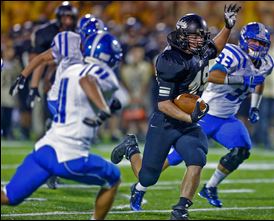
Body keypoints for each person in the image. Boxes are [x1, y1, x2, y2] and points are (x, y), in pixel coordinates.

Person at [111, 3, 241, 220]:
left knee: (197, 158)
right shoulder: (170, 60)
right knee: (148, 176)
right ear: (182, 35)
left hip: (187, 123)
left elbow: (216, 47)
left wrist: (227, 26)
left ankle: (181, 209)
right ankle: (131, 148)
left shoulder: (198, 50)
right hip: (165, 121)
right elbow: (163, 104)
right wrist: (189, 116)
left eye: (202, 36)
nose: (200, 40)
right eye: (195, 36)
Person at [1, 31, 123, 220]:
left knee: (9, 196)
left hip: (44, 148)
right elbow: (87, 81)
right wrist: (104, 108)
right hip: (69, 155)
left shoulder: (70, 69)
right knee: (113, 178)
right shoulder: (104, 73)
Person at [165, 22, 274, 208]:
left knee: (241, 150)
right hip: (206, 113)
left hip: (228, 118)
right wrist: (243, 79)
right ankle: (141, 185)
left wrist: (255, 106)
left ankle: (210, 187)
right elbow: (212, 75)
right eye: (254, 41)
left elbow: (259, 81)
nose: (258, 46)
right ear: (244, 40)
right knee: (176, 157)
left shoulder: (266, 63)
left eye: (262, 43)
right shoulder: (233, 54)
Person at [9, 16, 106, 190]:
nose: (95, 41)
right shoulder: (69, 41)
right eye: (91, 37)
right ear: (82, 35)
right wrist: (25, 78)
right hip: (59, 97)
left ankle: (51, 167)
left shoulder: (101, 49)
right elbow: (41, 59)